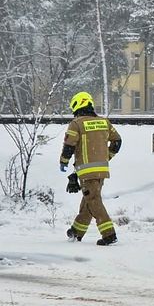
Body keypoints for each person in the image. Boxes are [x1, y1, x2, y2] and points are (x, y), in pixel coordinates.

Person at [60, 91, 122, 246]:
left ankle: (109, 234)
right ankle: (77, 231)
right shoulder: (104, 122)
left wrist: (64, 161)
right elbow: (117, 142)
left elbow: (69, 145)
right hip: (101, 170)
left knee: (93, 200)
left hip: (87, 172)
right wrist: (106, 157)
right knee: (89, 199)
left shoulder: (76, 123)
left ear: (77, 105)